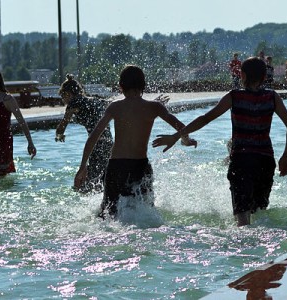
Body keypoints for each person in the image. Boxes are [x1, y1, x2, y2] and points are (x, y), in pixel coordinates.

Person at [153, 57, 287, 227]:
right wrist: (286, 156)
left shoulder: (234, 96)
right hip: (265, 161)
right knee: (259, 212)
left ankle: (247, 249)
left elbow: (205, 118)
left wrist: (177, 136)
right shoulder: (272, 97)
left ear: (241, 75)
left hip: (241, 161)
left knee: (242, 217)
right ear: (265, 77)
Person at [74, 65, 197, 219]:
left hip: (116, 167)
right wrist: (185, 140)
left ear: (120, 87)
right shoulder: (154, 107)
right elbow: (182, 127)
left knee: (106, 214)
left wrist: (83, 165)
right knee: (146, 211)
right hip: (141, 167)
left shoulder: (115, 107)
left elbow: (94, 136)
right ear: (143, 86)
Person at [56, 74, 113, 193]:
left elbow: (62, 126)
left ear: (68, 94)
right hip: (109, 143)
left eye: (63, 97)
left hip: (96, 145)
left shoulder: (73, 104)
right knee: (104, 179)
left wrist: (59, 135)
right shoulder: (94, 100)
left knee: (89, 186)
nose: (63, 101)